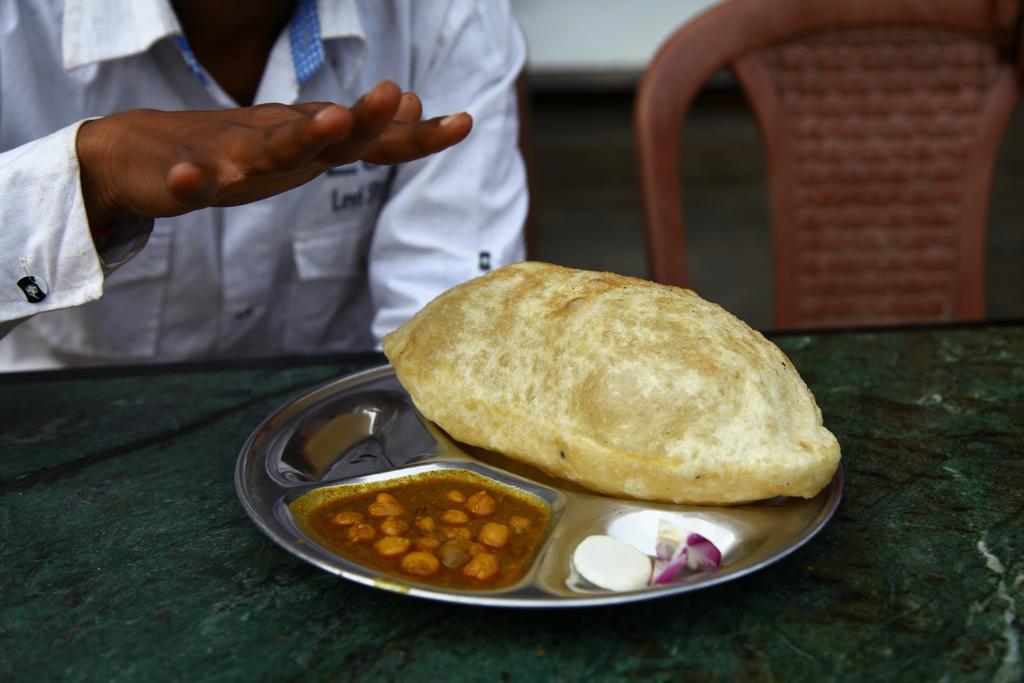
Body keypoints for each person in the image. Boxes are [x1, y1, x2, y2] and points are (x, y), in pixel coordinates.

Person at [0, 0, 528, 370]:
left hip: (342, 431)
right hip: (56, 433)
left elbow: (449, 327)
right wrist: (90, 179)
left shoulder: (445, 13)